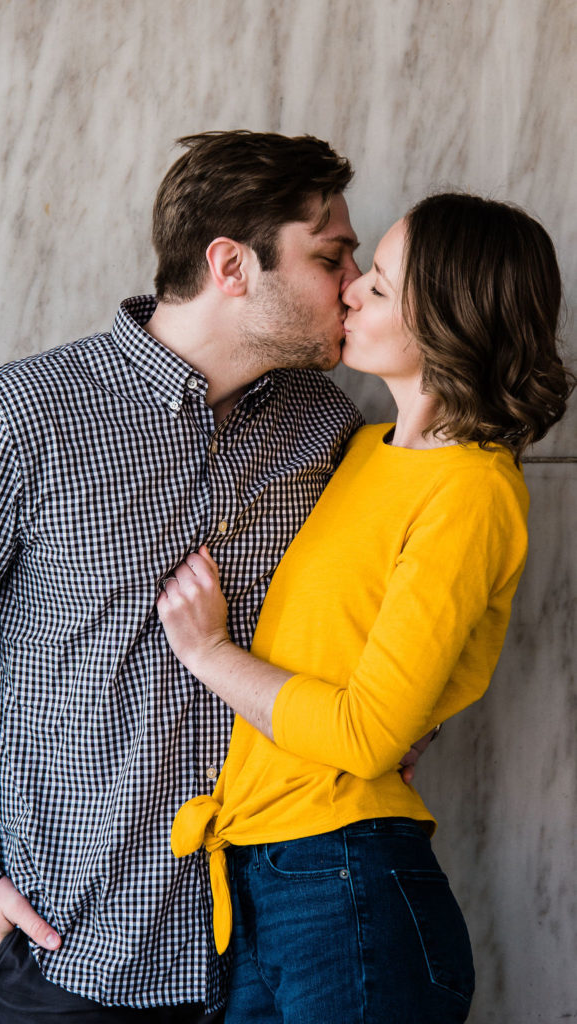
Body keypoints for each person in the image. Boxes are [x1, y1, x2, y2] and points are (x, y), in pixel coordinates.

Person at [0, 129, 400, 1023]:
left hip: (271, 946)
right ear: (231, 264)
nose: (354, 284)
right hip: (71, 956)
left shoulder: (324, 428)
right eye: (332, 255)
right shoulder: (19, 419)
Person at [157, 193, 575, 1023]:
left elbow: (366, 735)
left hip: (345, 883)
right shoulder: (357, 449)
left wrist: (207, 654)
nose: (347, 292)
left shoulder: (471, 491)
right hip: (261, 877)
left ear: (447, 324)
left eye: (377, 287)